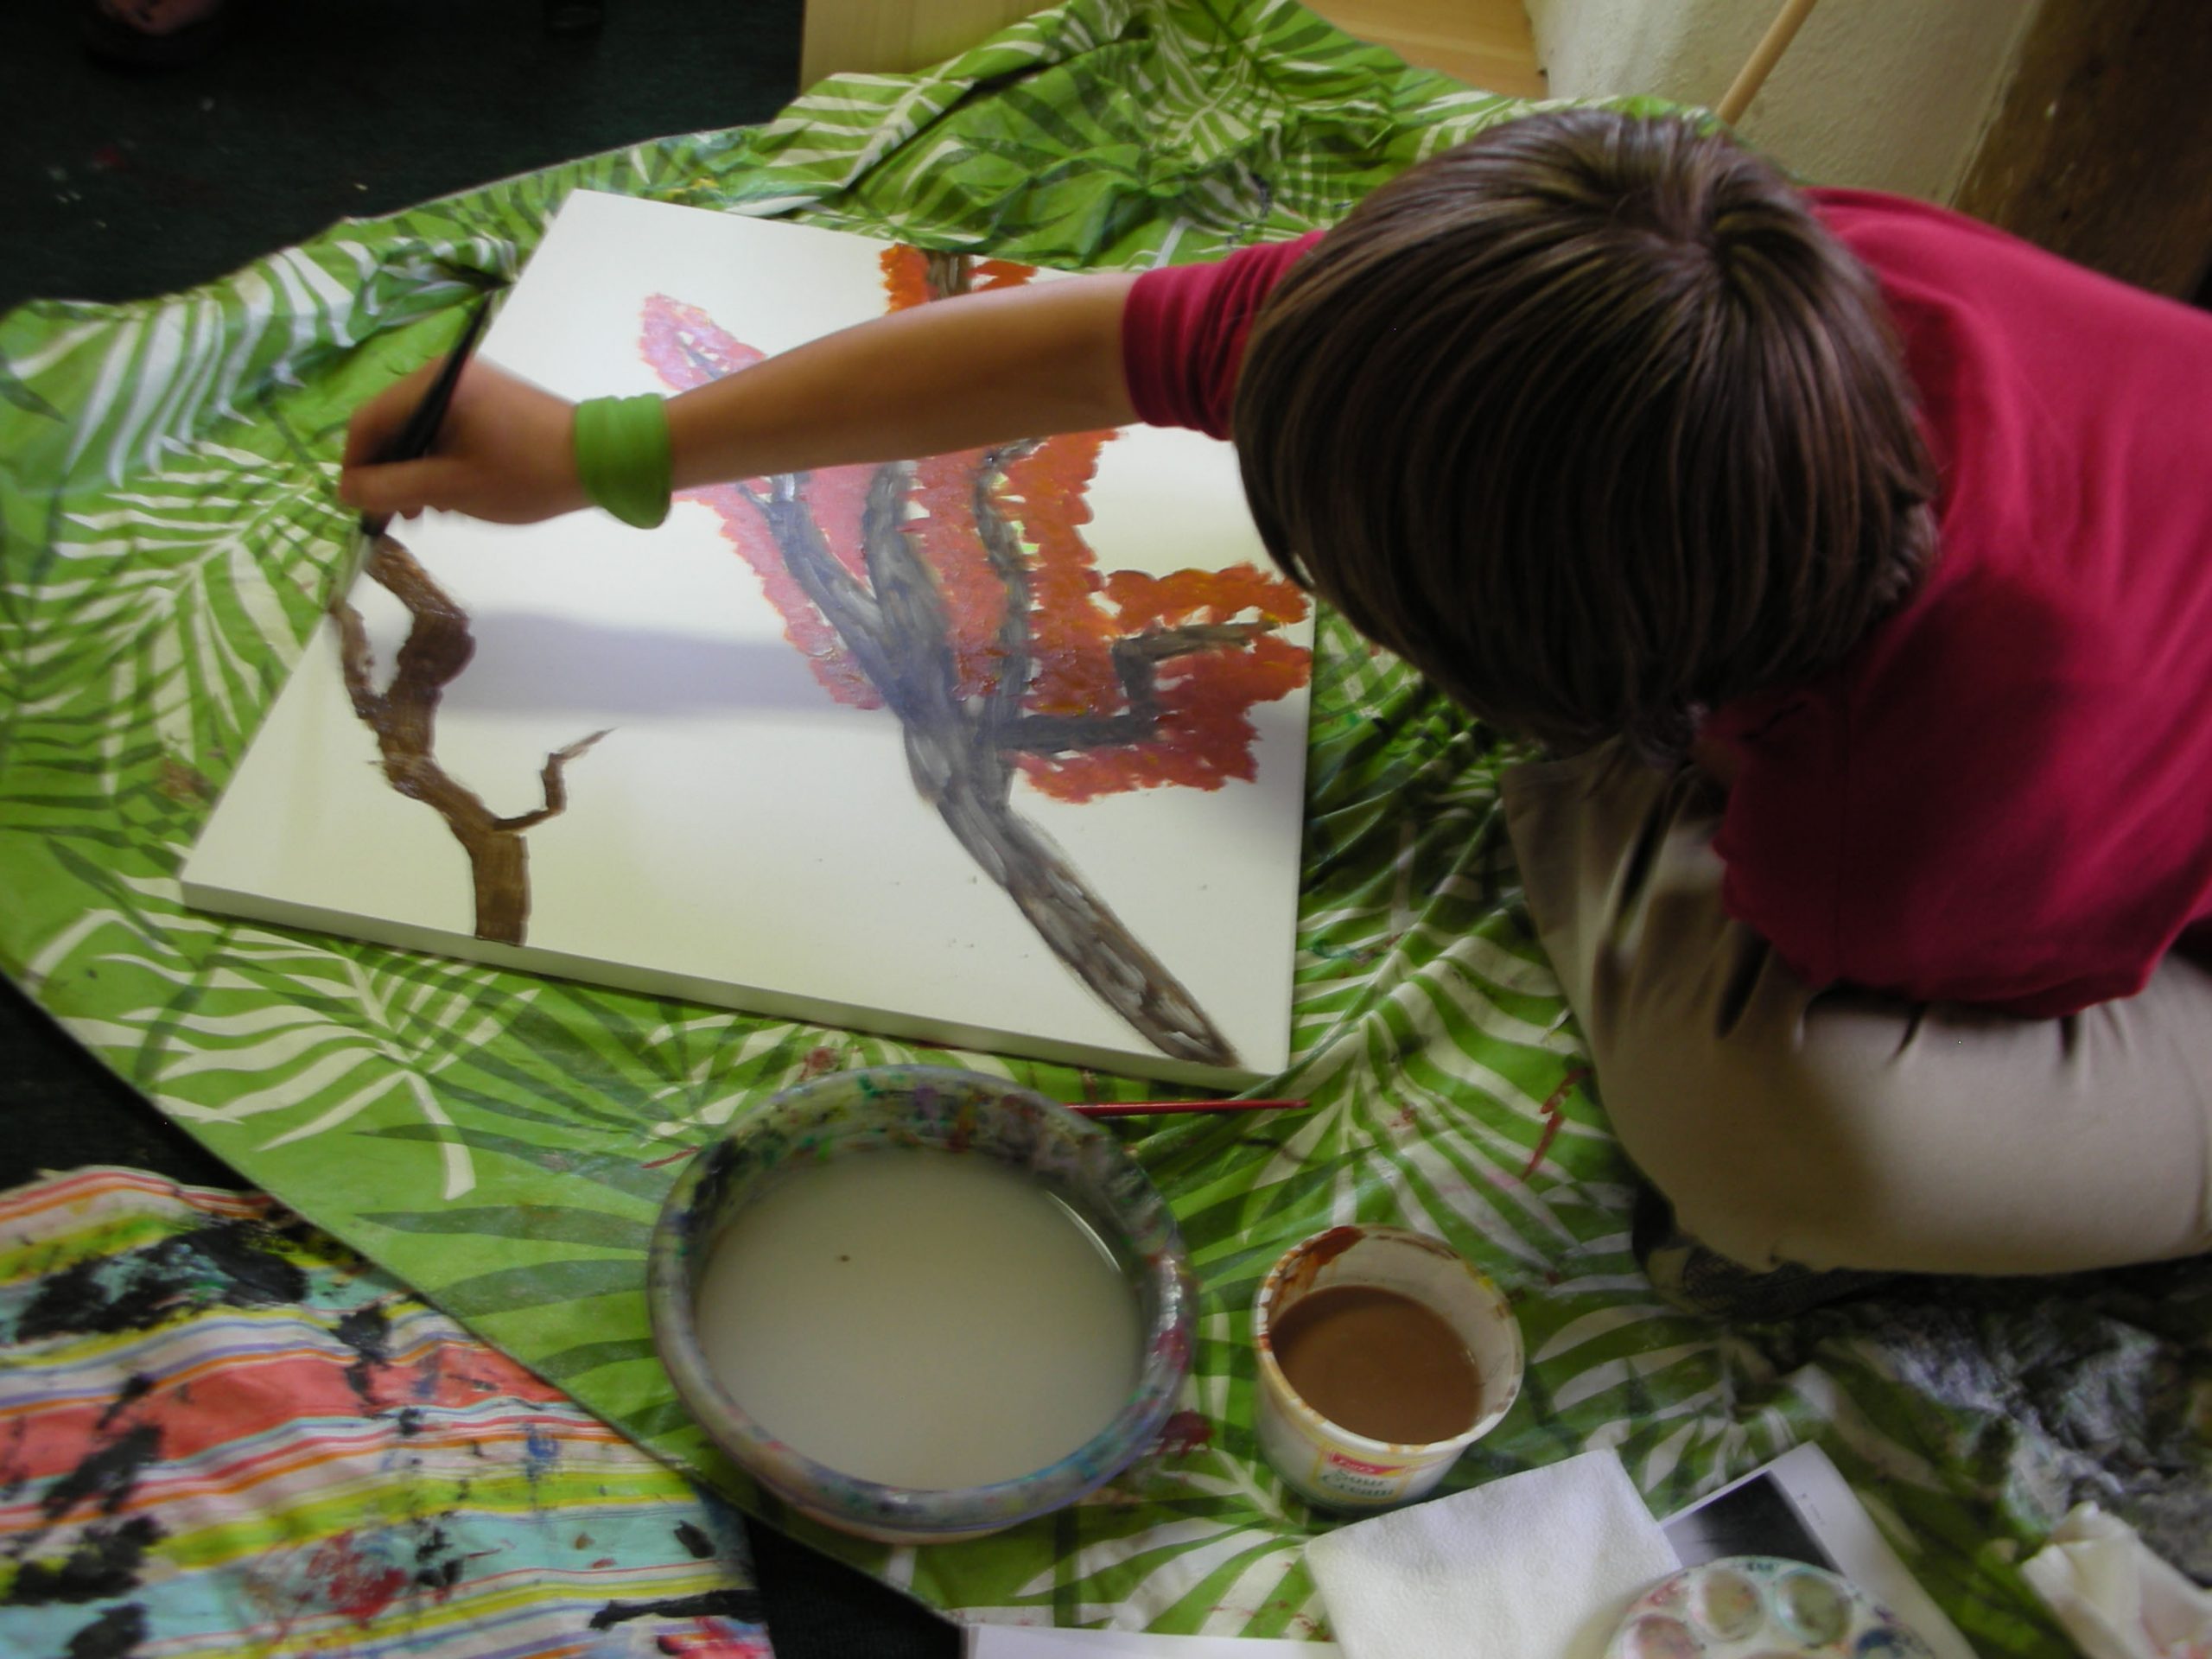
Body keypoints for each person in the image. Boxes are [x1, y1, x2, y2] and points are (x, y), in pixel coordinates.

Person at [342, 109, 2212, 1317]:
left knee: (1750, 1126)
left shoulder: (1910, 825)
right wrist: (604, 451)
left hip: (2101, 882)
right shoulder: (1634, 317)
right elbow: (1091, 337)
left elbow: (1890, 946)